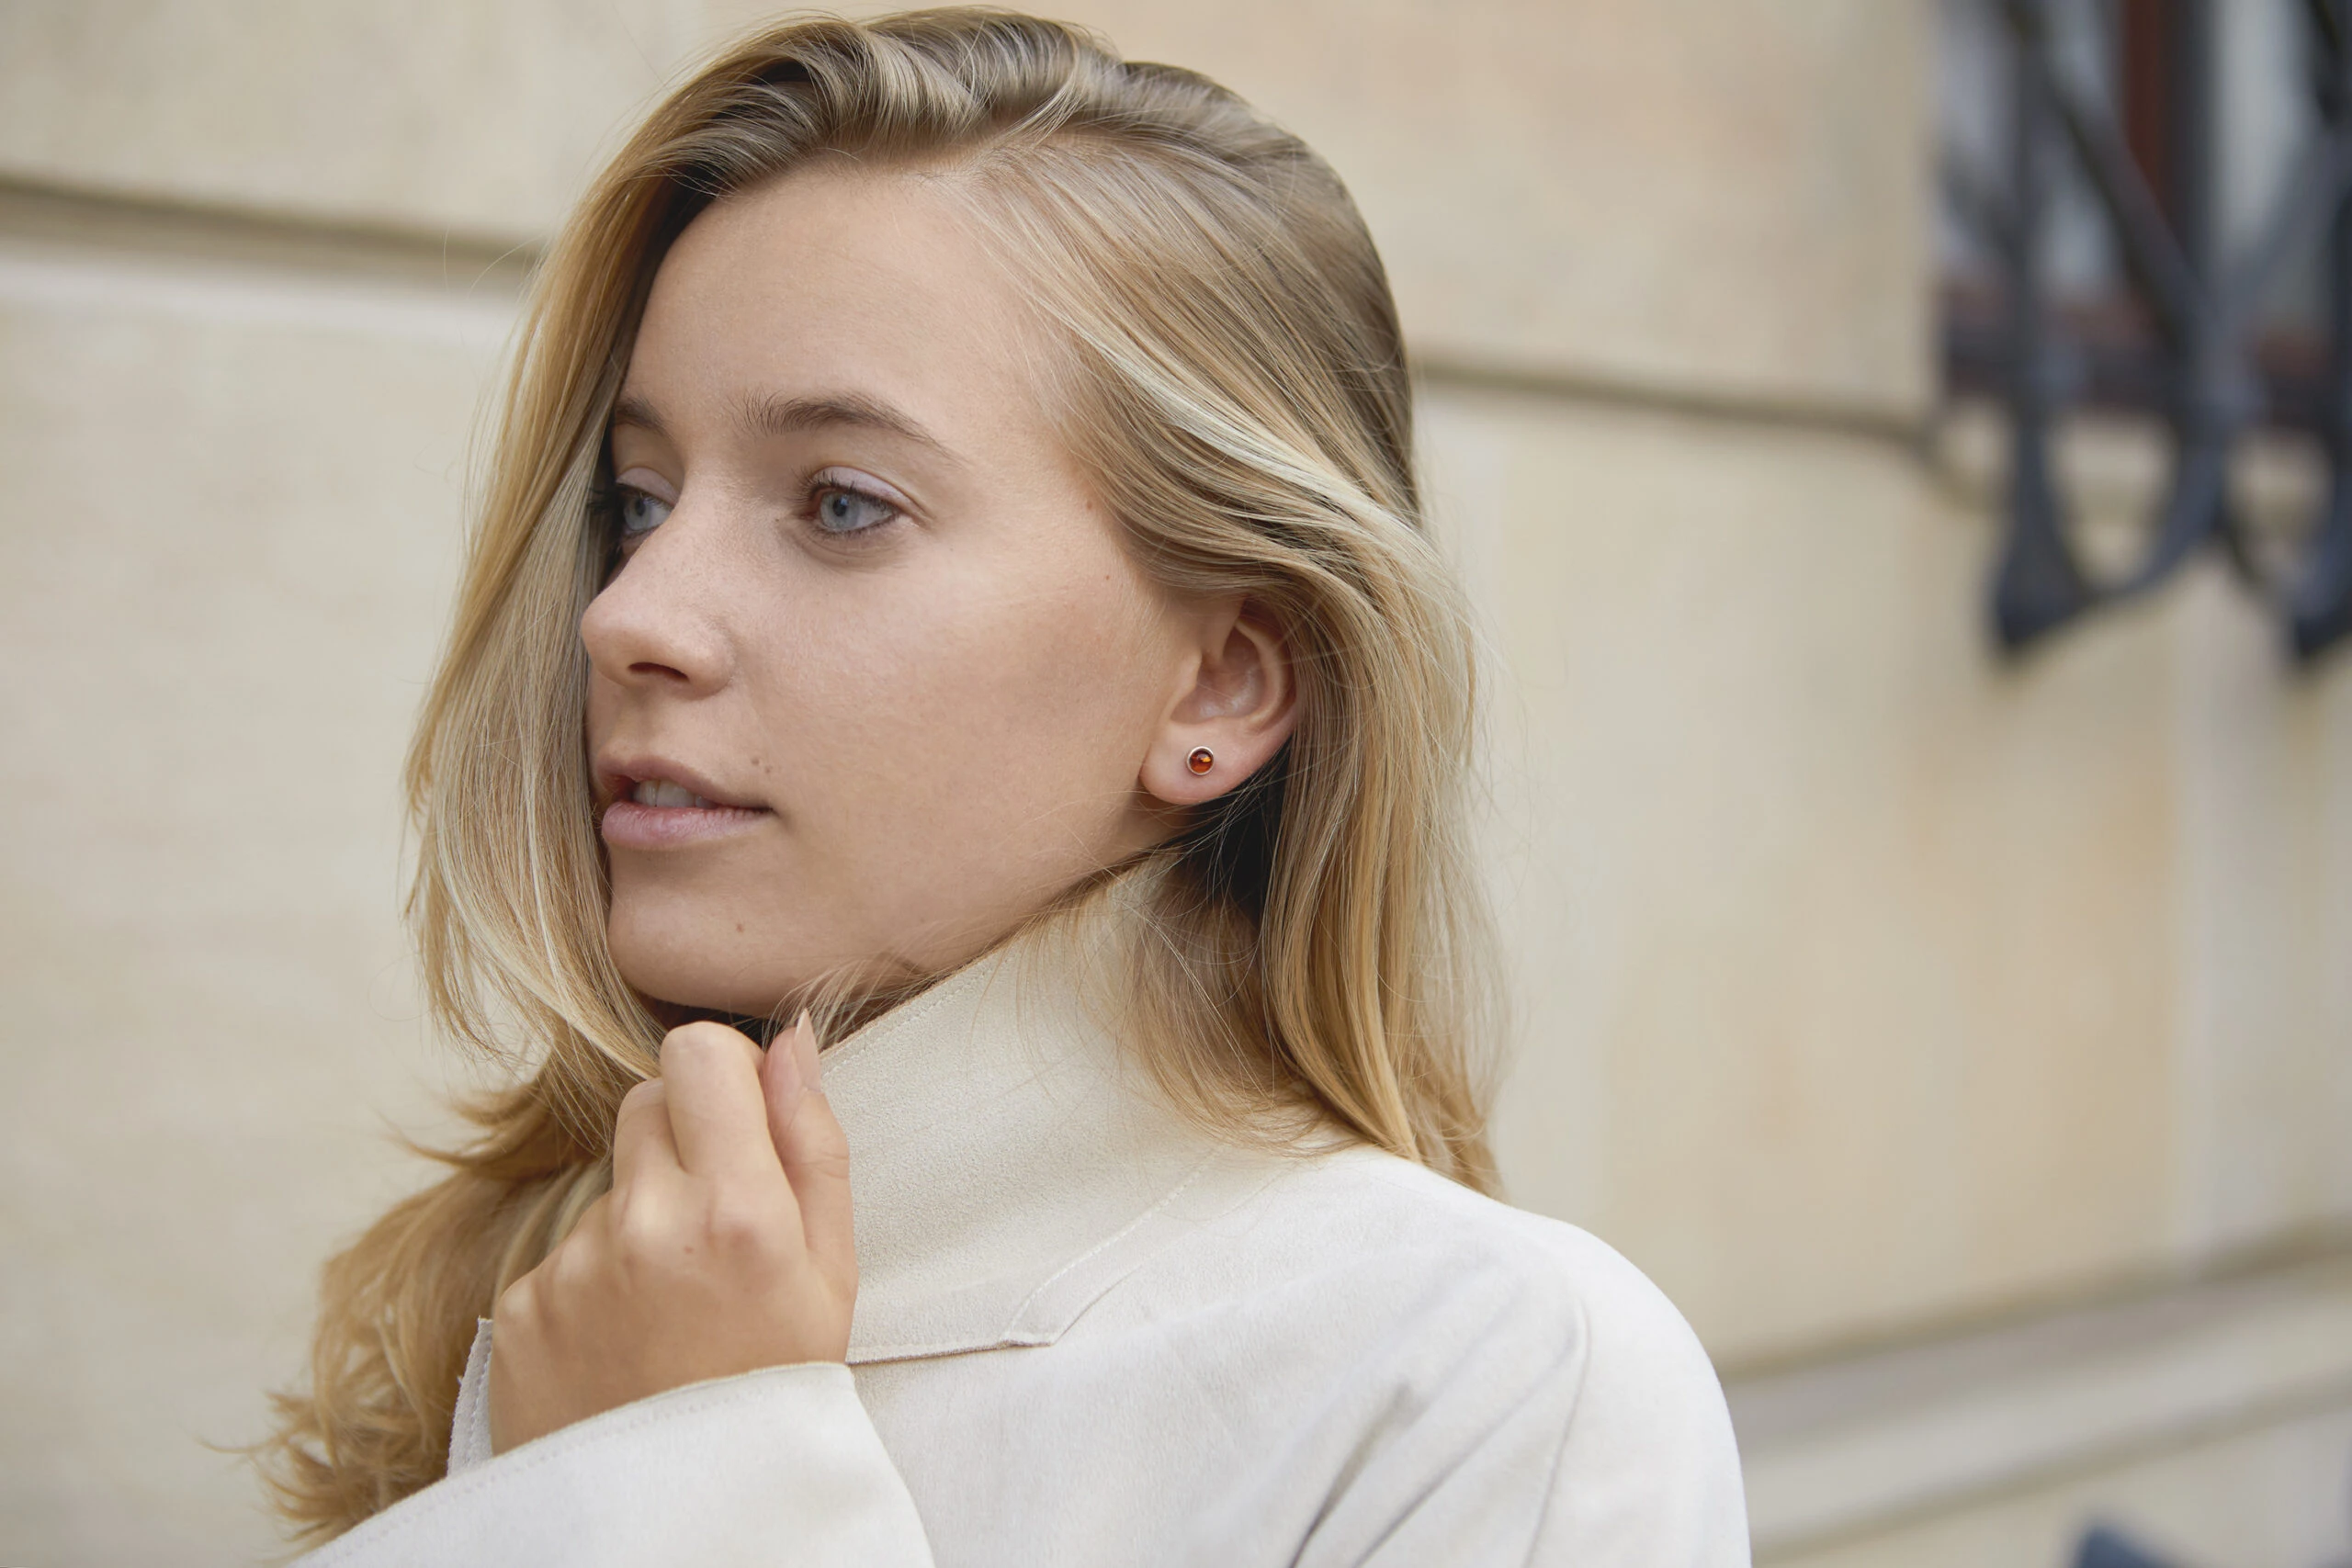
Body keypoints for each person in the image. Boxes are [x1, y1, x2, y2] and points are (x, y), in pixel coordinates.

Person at [260, 10, 1749, 1563]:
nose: (628, 612)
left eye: (843, 502)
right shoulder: (533, 1281)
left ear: (1221, 682)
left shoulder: (1485, 1386)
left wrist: (685, 1486)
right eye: (641, 498)